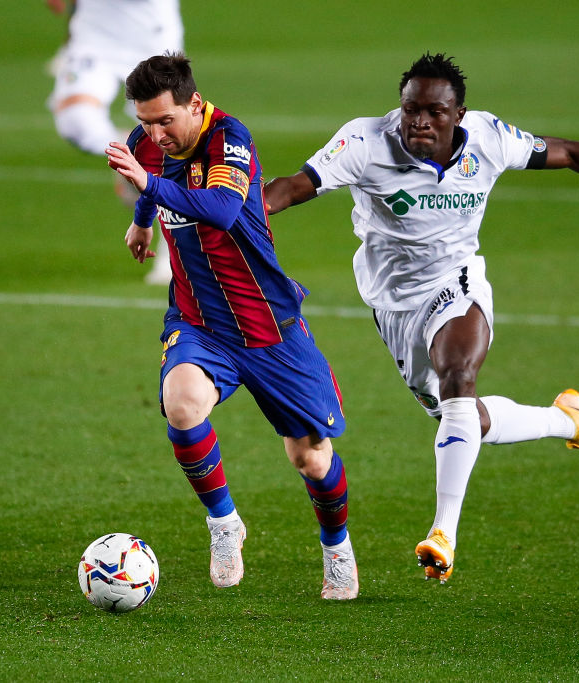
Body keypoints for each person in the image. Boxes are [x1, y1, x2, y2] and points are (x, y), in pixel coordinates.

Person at [265, 53, 579, 584]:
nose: (419, 121)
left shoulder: (489, 138)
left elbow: (570, 152)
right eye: (411, 109)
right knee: (462, 418)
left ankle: (442, 534)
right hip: (392, 301)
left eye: (434, 111)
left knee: (458, 376)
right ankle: (567, 420)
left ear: (459, 114)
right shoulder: (364, 142)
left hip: (457, 280)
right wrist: (242, 209)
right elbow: (294, 186)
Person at [105, 53, 359, 600]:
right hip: (200, 322)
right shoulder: (147, 141)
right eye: (146, 121)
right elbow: (147, 172)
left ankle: (336, 546)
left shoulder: (229, 138)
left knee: (310, 457)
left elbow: (221, 210)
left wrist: (146, 186)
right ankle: (224, 525)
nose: (156, 133)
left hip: (269, 324)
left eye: (166, 120)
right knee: (181, 401)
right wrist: (140, 222)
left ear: (194, 104)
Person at [46, 0, 181, 285]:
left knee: (169, 142)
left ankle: (174, 258)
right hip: (94, 36)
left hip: (151, 36)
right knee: (76, 121)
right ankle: (128, 153)